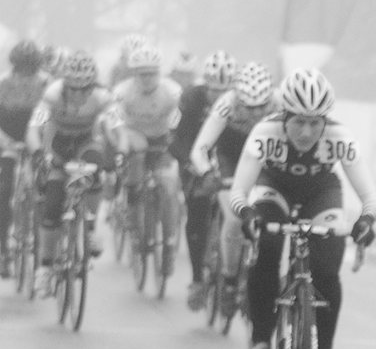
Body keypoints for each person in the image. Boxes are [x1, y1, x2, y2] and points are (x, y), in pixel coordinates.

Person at [229, 67, 376, 349]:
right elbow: (239, 190)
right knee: (266, 248)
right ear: (284, 115)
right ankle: (260, 343)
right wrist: (248, 214)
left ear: (326, 120)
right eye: (298, 121)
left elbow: (370, 196)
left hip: (320, 192)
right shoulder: (264, 132)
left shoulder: (340, 137)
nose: (307, 132)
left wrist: (366, 221)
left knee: (326, 272)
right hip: (274, 187)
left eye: (316, 123)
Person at [189, 61, 274, 316]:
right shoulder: (227, 104)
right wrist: (206, 172)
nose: (257, 114)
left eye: (262, 107)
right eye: (250, 107)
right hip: (230, 158)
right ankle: (227, 279)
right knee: (235, 218)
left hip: (264, 159)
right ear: (239, 99)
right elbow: (200, 148)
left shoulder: (282, 103)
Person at [25, 50, 112, 297]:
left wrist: (118, 152)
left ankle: (91, 228)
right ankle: (45, 268)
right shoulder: (51, 96)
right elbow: (34, 128)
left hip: (86, 144)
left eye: (84, 88)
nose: (77, 94)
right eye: (72, 88)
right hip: (58, 146)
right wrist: (37, 154)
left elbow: (113, 126)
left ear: (92, 86)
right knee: (52, 206)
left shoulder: (103, 97)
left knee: (95, 166)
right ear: (64, 85)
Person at [170, 49, 237, 309]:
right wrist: (189, 164)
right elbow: (174, 137)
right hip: (193, 155)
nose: (219, 98)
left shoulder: (240, 102)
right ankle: (198, 278)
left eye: (224, 92)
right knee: (196, 214)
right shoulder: (190, 98)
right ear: (204, 86)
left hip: (226, 156)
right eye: (213, 92)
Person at [109, 43, 182, 278]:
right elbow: (114, 121)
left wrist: (176, 140)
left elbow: (181, 118)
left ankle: (169, 242)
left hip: (162, 139)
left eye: (152, 73)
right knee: (137, 161)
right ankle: (132, 218)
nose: (148, 78)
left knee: (169, 188)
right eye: (143, 74)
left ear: (159, 73)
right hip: (134, 135)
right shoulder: (122, 91)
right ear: (134, 74)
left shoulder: (172, 91)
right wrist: (120, 147)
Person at [0, 40, 49, 277]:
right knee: (5, 191)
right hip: (7, 139)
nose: (26, 73)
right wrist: (6, 142)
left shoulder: (46, 83)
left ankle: (44, 247)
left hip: (35, 138)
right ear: (15, 66)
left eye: (31, 68)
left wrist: (42, 146)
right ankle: (2, 252)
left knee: (45, 189)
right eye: (22, 68)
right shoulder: (3, 82)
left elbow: (50, 117)